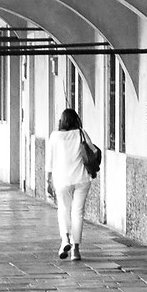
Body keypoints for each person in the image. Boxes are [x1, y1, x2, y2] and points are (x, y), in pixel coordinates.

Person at [51, 107, 93, 260]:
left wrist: (49, 178)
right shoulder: (81, 133)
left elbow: (50, 161)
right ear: (76, 120)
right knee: (78, 213)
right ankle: (75, 250)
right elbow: (92, 151)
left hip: (62, 180)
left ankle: (65, 240)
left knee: (63, 210)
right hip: (82, 178)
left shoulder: (55, 136)